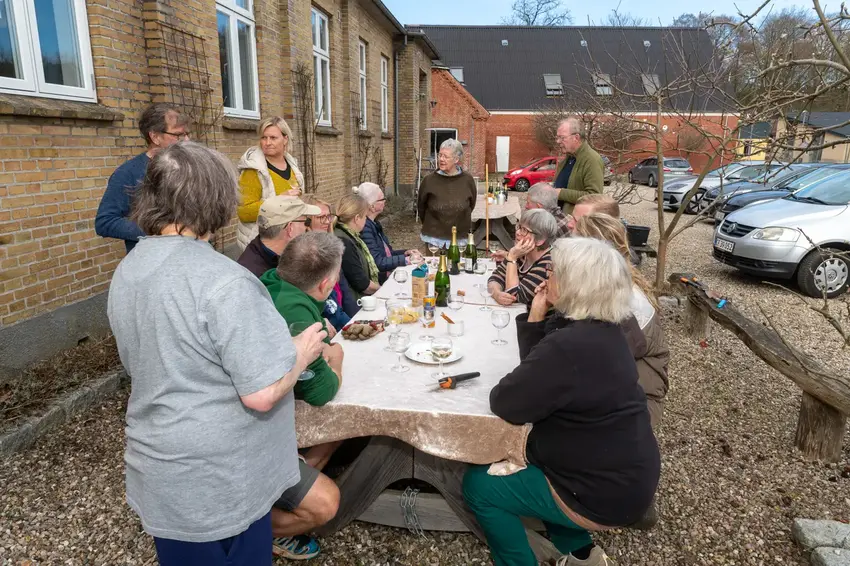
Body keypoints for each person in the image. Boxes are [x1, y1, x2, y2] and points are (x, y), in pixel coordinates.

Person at [106, 141, 333, 566]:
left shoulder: (129, 267)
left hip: (160, 465)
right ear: (216, 200)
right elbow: (262, 392)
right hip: (221, 479)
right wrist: (301, 354)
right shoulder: (226, 281)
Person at [463, 237, 660, 566]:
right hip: (625, 474)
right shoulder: (604, 330)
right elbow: (540, 378)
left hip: (601, 491)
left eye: (554, 272)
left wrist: (537, 323)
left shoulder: (571, 345)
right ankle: (582, 554)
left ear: (575, 285)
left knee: (480, 486)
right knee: (539, 470)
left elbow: (507, 403)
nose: (546, 277)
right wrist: (537, 315)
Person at [259, 231, 346, 558]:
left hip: (266, 416)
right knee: (327, 502)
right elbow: (320, 391)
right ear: (325, 285)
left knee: (341, 431)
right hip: (263, 428)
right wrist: (336, 360)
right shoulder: (295, 310)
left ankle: (296, 481)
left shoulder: (273, 283)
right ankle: (259, 530)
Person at [573, 213, 670, 428]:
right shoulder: (605, 284)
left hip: (634, 413)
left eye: (572, 247)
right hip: (617, 397)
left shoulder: (623, 304)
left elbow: (588, 369)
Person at [95, 103, 189, 253]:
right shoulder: (128, 173)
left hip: (192, 255)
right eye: (178, 135)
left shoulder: (189, 167)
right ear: (155, 137)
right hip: (152, 260)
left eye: (186, 134)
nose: (186, 140)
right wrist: (161, 229)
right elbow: (105, 222)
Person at [236, 116, 305, 251]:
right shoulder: (253, 169)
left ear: (285, 139)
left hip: (289, 239)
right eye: (264, 138)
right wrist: (278, 201)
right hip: (262, 244)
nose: (267, 143)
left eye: (273, 138)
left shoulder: (292, 165)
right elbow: (244, 212)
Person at [236, 195, 320, 279]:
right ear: (290, 228)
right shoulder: (257, 277)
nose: (307, 228)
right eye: (307, 222)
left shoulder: (266, 253)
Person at [303, 196, 358, 322]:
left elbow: (344, 291)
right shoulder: (305, 256)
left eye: (328, 216)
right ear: (307, 220)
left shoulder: (332, 247)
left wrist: (357, 320)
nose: (327, 221)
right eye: (321, 217)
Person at [417, 138, 477, 250]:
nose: (441, 159)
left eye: (446, 156)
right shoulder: (429, 180)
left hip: (459, 238)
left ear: (456, 159)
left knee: (458, 262)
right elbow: (421, 207)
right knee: (434, 261)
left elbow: (471, 205)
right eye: (440, 155)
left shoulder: (468, 180)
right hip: (434, 239)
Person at [488, 209, 556, 307]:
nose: (517, 232)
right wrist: (496, 293)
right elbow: (495, 277)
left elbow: (515, 297)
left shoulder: (548, 264)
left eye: (524, 230)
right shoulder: (523, 253)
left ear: (540, 240)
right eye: (519, 227)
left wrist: (512, 258)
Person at [355, 182, 417, 283]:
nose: (385, 201)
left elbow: (386, 254)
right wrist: (406, 260)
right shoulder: (365, 228)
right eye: (382, 199)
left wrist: (405, 253)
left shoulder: (374, 223)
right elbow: (378, 262)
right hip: (379, 281)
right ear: (372, 206)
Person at [552, 118, 605, 215]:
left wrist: (560, 193)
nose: (558, 141)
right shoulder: (569, 158)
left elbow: (594, 197)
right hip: (561, 219)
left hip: (576, 221)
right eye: (557, 137)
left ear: (576, 138)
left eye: (562, 138)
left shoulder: (592, 160)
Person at [334, 194, 380, 302]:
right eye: (365, 217)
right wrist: (383, 290)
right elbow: (362, 284)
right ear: (357, 218)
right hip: (357, 303)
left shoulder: (348, 235)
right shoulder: (344, 241)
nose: (366, 220)